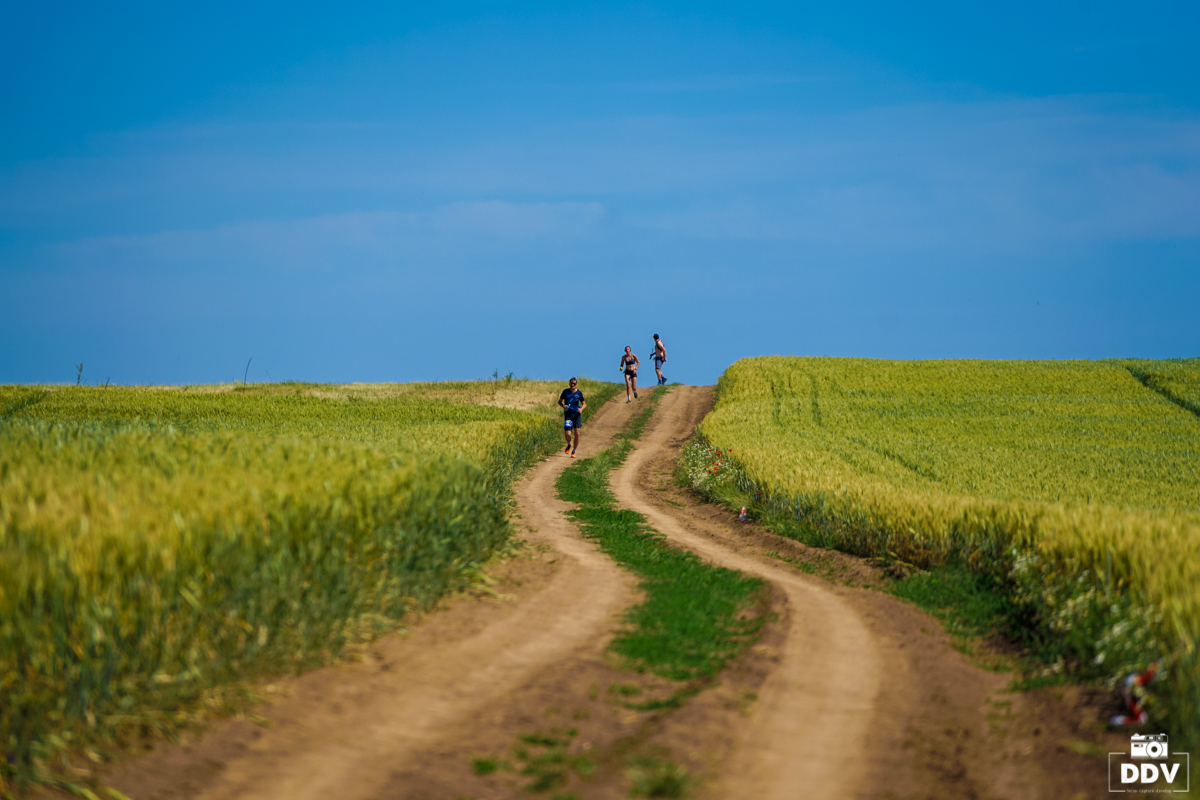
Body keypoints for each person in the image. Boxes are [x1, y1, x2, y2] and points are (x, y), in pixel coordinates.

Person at [558, 377, 587, 457]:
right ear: (569, 384)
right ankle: (569, 443)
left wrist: (581, 409)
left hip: (577, 415)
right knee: (567, 434)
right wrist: (563, 406)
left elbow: (584, 404)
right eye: (571, 383)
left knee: (577, 433)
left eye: (574, 384)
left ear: (576, 384)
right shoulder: (565, 392)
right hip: (568, 415)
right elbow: (559, 402)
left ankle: (574, 451)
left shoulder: (579, 393)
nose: (572, 385)